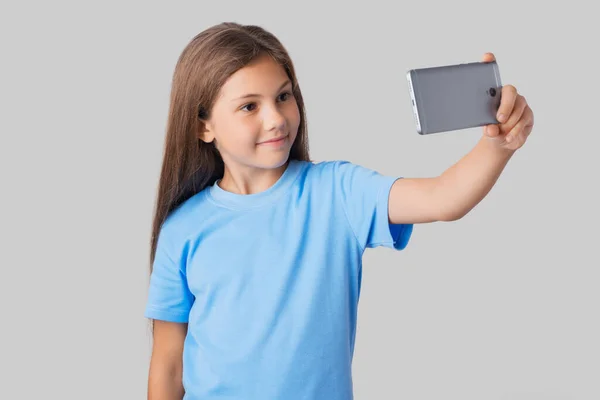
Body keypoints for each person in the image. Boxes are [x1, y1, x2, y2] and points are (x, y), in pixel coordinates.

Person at [144, 22, 535, 400]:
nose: (276, 118)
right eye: (249, 106)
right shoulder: (183, 229)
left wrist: (498, 146)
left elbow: (443, 198)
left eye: (283, 96)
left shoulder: (337, 192)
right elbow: (168, 365)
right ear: (203, 127)